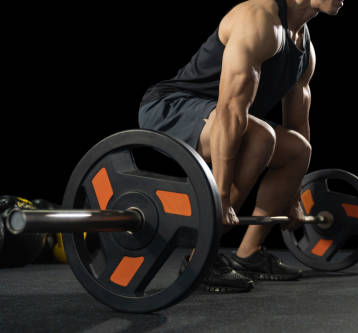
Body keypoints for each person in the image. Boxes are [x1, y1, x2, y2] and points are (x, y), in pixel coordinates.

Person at [138, 0, 344, 293]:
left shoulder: (305, 49)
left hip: (227, 118)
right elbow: (232, 110)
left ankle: (248, 254)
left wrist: (292, 198)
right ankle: (201, 259)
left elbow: (298, 125)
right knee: (261, 137)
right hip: (170, 107)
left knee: (298, 149)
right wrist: (220, 195)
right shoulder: (259, 21)